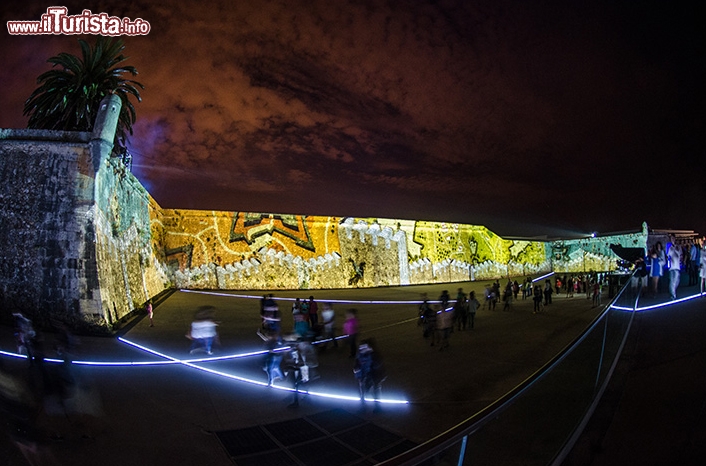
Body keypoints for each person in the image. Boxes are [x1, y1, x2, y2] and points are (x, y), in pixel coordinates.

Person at [353, 339, 386, 410]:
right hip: (363, 375)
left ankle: (377, 406)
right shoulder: (359, 355)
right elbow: (357, 363)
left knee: (375, 389)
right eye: (361, 347)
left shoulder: (375, 355)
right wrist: (356, 369)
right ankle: (363, 404)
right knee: (363, 389)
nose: (362, 349)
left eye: (364, 347)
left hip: (374, 375)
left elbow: (378, 365)